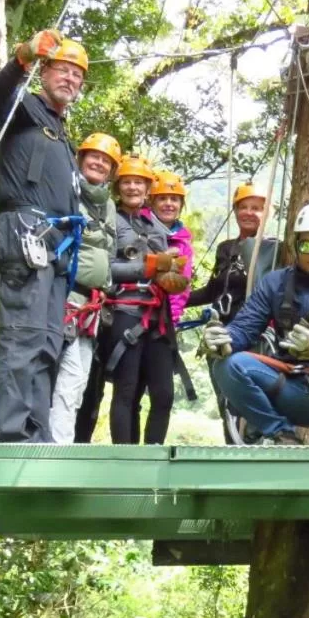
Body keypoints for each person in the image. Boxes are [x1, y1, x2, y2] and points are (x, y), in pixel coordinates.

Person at [203, 203, 309, 446]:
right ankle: (281, 434)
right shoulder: (274, 283)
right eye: (307, 245)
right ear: (296, 246)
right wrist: (224, 337)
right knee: (226, 366)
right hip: (286, 386)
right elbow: (245, 327)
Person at [0, 29, 88, 443]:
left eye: (77, 75)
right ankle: (13, 434)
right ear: (45, 72)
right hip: (26, 233)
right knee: (24, 335)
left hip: (53, 245)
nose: (70, 79)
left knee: (47, 342)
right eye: (63, 70)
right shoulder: (25, 111)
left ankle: (36, 432)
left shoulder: (60, 133)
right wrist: (23, 58)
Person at [73, 154, 160, 441]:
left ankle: (137, 460)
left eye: (138, 183)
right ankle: (111, 455)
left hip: (150, 315)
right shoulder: (110, 217)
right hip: (119, 310)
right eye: (127, 182)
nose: (133, 188)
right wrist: (142, 268)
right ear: (117, 185)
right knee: (115, 388)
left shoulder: (154, 226)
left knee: (138, 391)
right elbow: (103, 262)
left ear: (148, 189)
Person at [49, 133, 121, 443]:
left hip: (91, 306)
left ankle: (60, 445)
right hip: (65, 297)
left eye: (106, 161)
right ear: (80, 159)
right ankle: (49, 447)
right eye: (94, 156)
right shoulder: (67, 192)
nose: (99, 163)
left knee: (76, 381)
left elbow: (109, 253)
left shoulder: (109, 207)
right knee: (56, 376)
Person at [131, 170, 193, 444]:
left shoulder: (183, 241)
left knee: (163, 395)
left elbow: (184, 286)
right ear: (151, 202)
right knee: (130, 393)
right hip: (134, 316)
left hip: (164, 325)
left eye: (174, 199)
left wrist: (175, 318)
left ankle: (152, 454)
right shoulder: (138, 227)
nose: (169, 204)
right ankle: (127, 460)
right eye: (163, 199)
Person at [188, 182, 275, 324]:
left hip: (252, 330)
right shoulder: (226, 248)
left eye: (256, 208)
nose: (248, 212)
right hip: (220, 326)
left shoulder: (272, 249)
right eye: (243, 207)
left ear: (267, 213)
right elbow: (212, 292)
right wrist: (176, 300)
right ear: (235, 211)